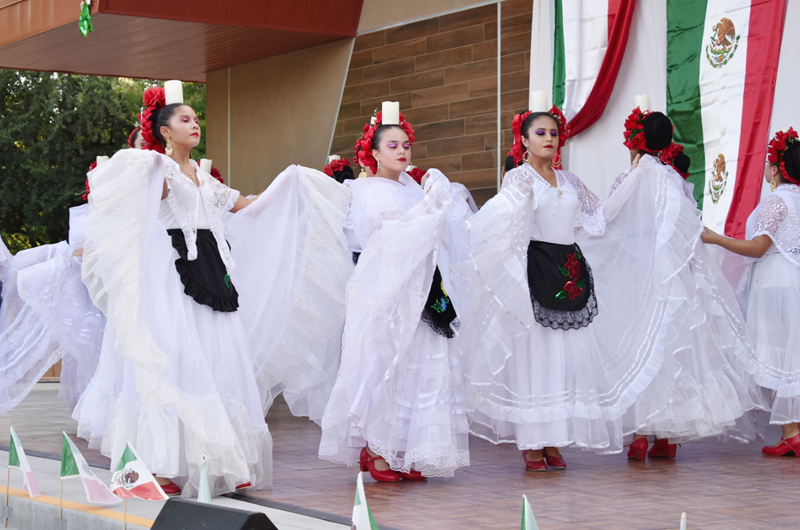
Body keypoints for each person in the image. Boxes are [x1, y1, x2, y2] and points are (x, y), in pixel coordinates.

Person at [74, 84, 272, 497]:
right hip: (173, 275)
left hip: (212, 271)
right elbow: (132, 195)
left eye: (197, 119)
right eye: (185, 119)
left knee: (215, 359)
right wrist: (148, 167)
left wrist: (292, 186)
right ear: (164, 131)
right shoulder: (156, 169)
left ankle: (221, 458)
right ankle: (155, 463)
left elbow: (243, 203)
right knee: (174, 359)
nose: (195, 123)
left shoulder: (202, 174)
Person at [577, 106, 758, 461]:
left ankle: (642, 433)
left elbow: (605, 221)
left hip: (639, 278)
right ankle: (667, 433)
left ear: (632, 141)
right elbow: (690, 230)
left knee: (643, 346)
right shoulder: (673, 179)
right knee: (669, 351)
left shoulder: (633, 178)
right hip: (676, 280)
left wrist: (572, 216)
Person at [453, 103, 615, 471]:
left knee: (567, 358)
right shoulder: (519, 179)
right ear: (524, 140)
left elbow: (600, 217)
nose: (549, 139)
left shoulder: (571, 180)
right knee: (538, 355)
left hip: (570, 269)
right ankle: (533, 442)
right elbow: (502, 224)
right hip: (536, 269)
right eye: (540, 133)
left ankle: (555, 439)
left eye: (554, 133)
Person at [319, 102, 471, 481]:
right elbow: (392, 236)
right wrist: (431, 207)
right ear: (373, 152)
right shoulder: (365, 189)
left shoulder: (412, 187)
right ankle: (375, 449)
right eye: (392, 145)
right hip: (387, 287)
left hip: (423, 285)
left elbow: (434, 232)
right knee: (384, 362)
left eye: (405, 144)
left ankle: (401, 450)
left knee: (417, 366)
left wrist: (436, 203)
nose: (402, 151)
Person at [702, 128, 800, 457]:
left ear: (776, 169)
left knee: (776, 354)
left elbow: (758, 248)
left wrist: (715, 238)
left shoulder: (777, 201)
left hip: (776, 282)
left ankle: (791, 430)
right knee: (794, 353)